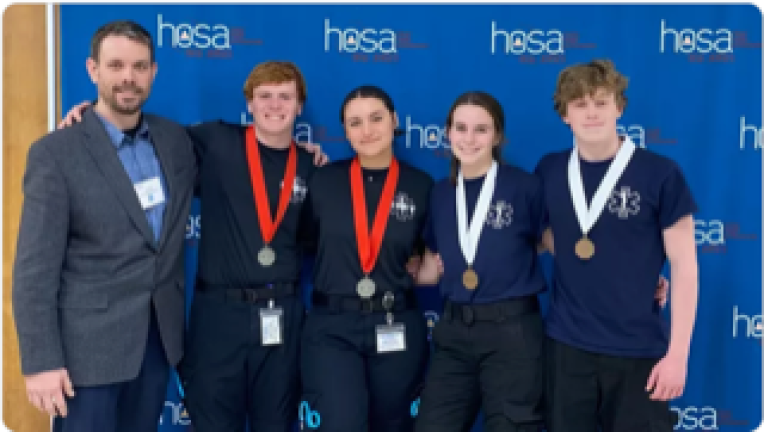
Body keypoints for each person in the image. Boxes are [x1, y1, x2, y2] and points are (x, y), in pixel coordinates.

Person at [58, 61, 328, 432]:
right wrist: (91, 115)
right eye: (265, 96)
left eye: (285, 97)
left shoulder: (314, 169)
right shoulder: (216, 140)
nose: (275, 105)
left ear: (300, 106)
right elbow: (141, 132)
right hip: (219, 317)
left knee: (277, 424)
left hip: (282, 317)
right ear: (249, 103)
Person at [12, 20, 196, 432]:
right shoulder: (57, 152)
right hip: (85, 356)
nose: (128, 78)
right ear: (94, 71)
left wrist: (303, 150)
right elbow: (34, 270)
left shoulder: (174, 140)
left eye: (139, 66)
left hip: (155, 345)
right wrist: (41, 362)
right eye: (116, 66)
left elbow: (239, 153)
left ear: (153, 73)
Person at [534, 59, 698, 432]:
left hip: (638, 351)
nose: (591, 113)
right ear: (565, 115)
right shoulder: (549, 170)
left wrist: (678, 356)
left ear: (619, 108)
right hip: (567, 348)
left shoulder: (661, 173)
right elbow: (535, 237)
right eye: (579, 104)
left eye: (601, 102)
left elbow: (686, 267)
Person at [298, 85, 432, 431]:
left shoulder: (420, 186)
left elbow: (435, 250)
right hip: (332, 328)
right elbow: (306, 242)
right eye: (355, 122)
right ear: (345, 131)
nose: (367, 130)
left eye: (376, 118)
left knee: (394, 425)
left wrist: (425, 270)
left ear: (394, 121)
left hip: (395, 322)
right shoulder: (323, 180)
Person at [411, 91, 546, 432]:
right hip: (454, 332)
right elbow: (429, 267)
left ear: (497, 136)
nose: (469, 139)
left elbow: (558, 246)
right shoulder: (441, 193)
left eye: (481, 129)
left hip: (512, 332)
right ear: (448, 132)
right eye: (461, 128)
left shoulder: (525, 187)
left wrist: (629, 280)